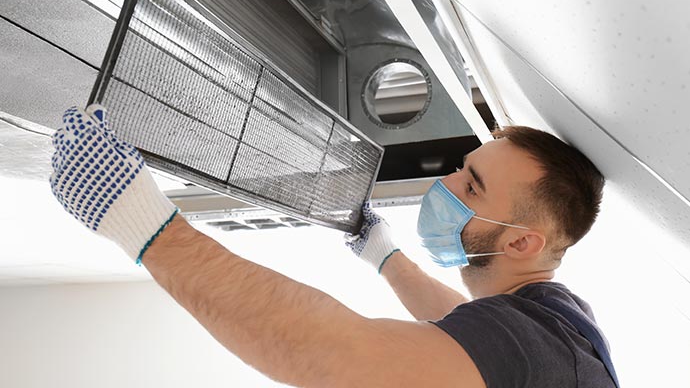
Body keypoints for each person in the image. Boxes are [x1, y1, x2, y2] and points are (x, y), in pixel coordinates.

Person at [50, 105, 614, 387]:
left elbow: (337, 356)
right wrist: (385, 258)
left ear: (521, 241)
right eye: (460, 169)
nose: (445, 186)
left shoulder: (545, 340)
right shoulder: (554, 324)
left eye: (471, 186)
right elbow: (462, 326)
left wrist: (145, 226)